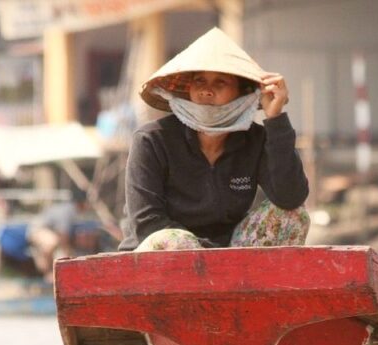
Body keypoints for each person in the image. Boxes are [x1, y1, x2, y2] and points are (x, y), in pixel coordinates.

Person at [118, 27, 309, 252]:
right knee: (176, 241)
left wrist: (275, 119)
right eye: (199, 81)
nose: (207, 91)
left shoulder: (256, 140)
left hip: (228, 258)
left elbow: (291, 198)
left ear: (242, 93)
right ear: (188, 89)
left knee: (294, 215)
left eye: (220, 82)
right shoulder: (151, 140)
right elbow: (147, 224)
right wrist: (210, 254)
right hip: (161, 260)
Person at [27, 191, 88, 278]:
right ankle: (48, 273)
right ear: (81, 203)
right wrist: (68, 253)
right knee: (52, 242)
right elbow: (63, 235)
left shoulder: (72, 211)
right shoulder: (67, 211)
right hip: (37, 230)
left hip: (50, 231)